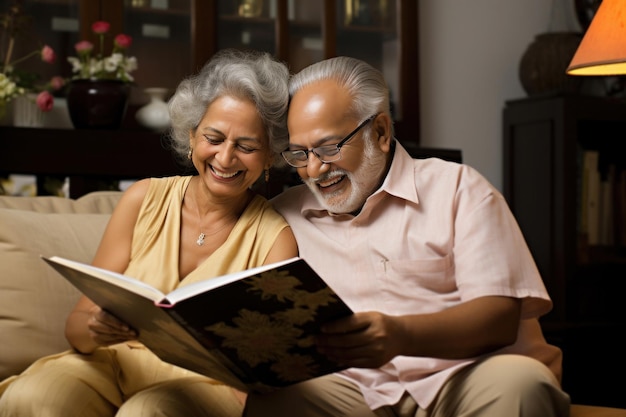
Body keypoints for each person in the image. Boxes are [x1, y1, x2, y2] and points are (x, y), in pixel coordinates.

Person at [244, 56, 571, 417]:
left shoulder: (460, 189)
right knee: (268, 399)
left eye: (328, 148)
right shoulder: (280, 216)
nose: (315, 169)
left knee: (522, 384)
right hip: (353, 394)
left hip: (461, 379)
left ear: (381, 133)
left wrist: (401, 335)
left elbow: (499, 318)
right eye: (300, 154)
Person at [0, 49, 298, 417]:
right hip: (113, 365)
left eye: (247, 146)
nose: (225, 158)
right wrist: (95, 328)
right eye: (214, 138)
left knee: (147, 412)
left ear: (270, 156)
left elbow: (268, 366)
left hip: (206, 387)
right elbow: (76, 328)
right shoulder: (142, 199)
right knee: (33, 396)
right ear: (191, 136)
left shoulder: (276, 238)